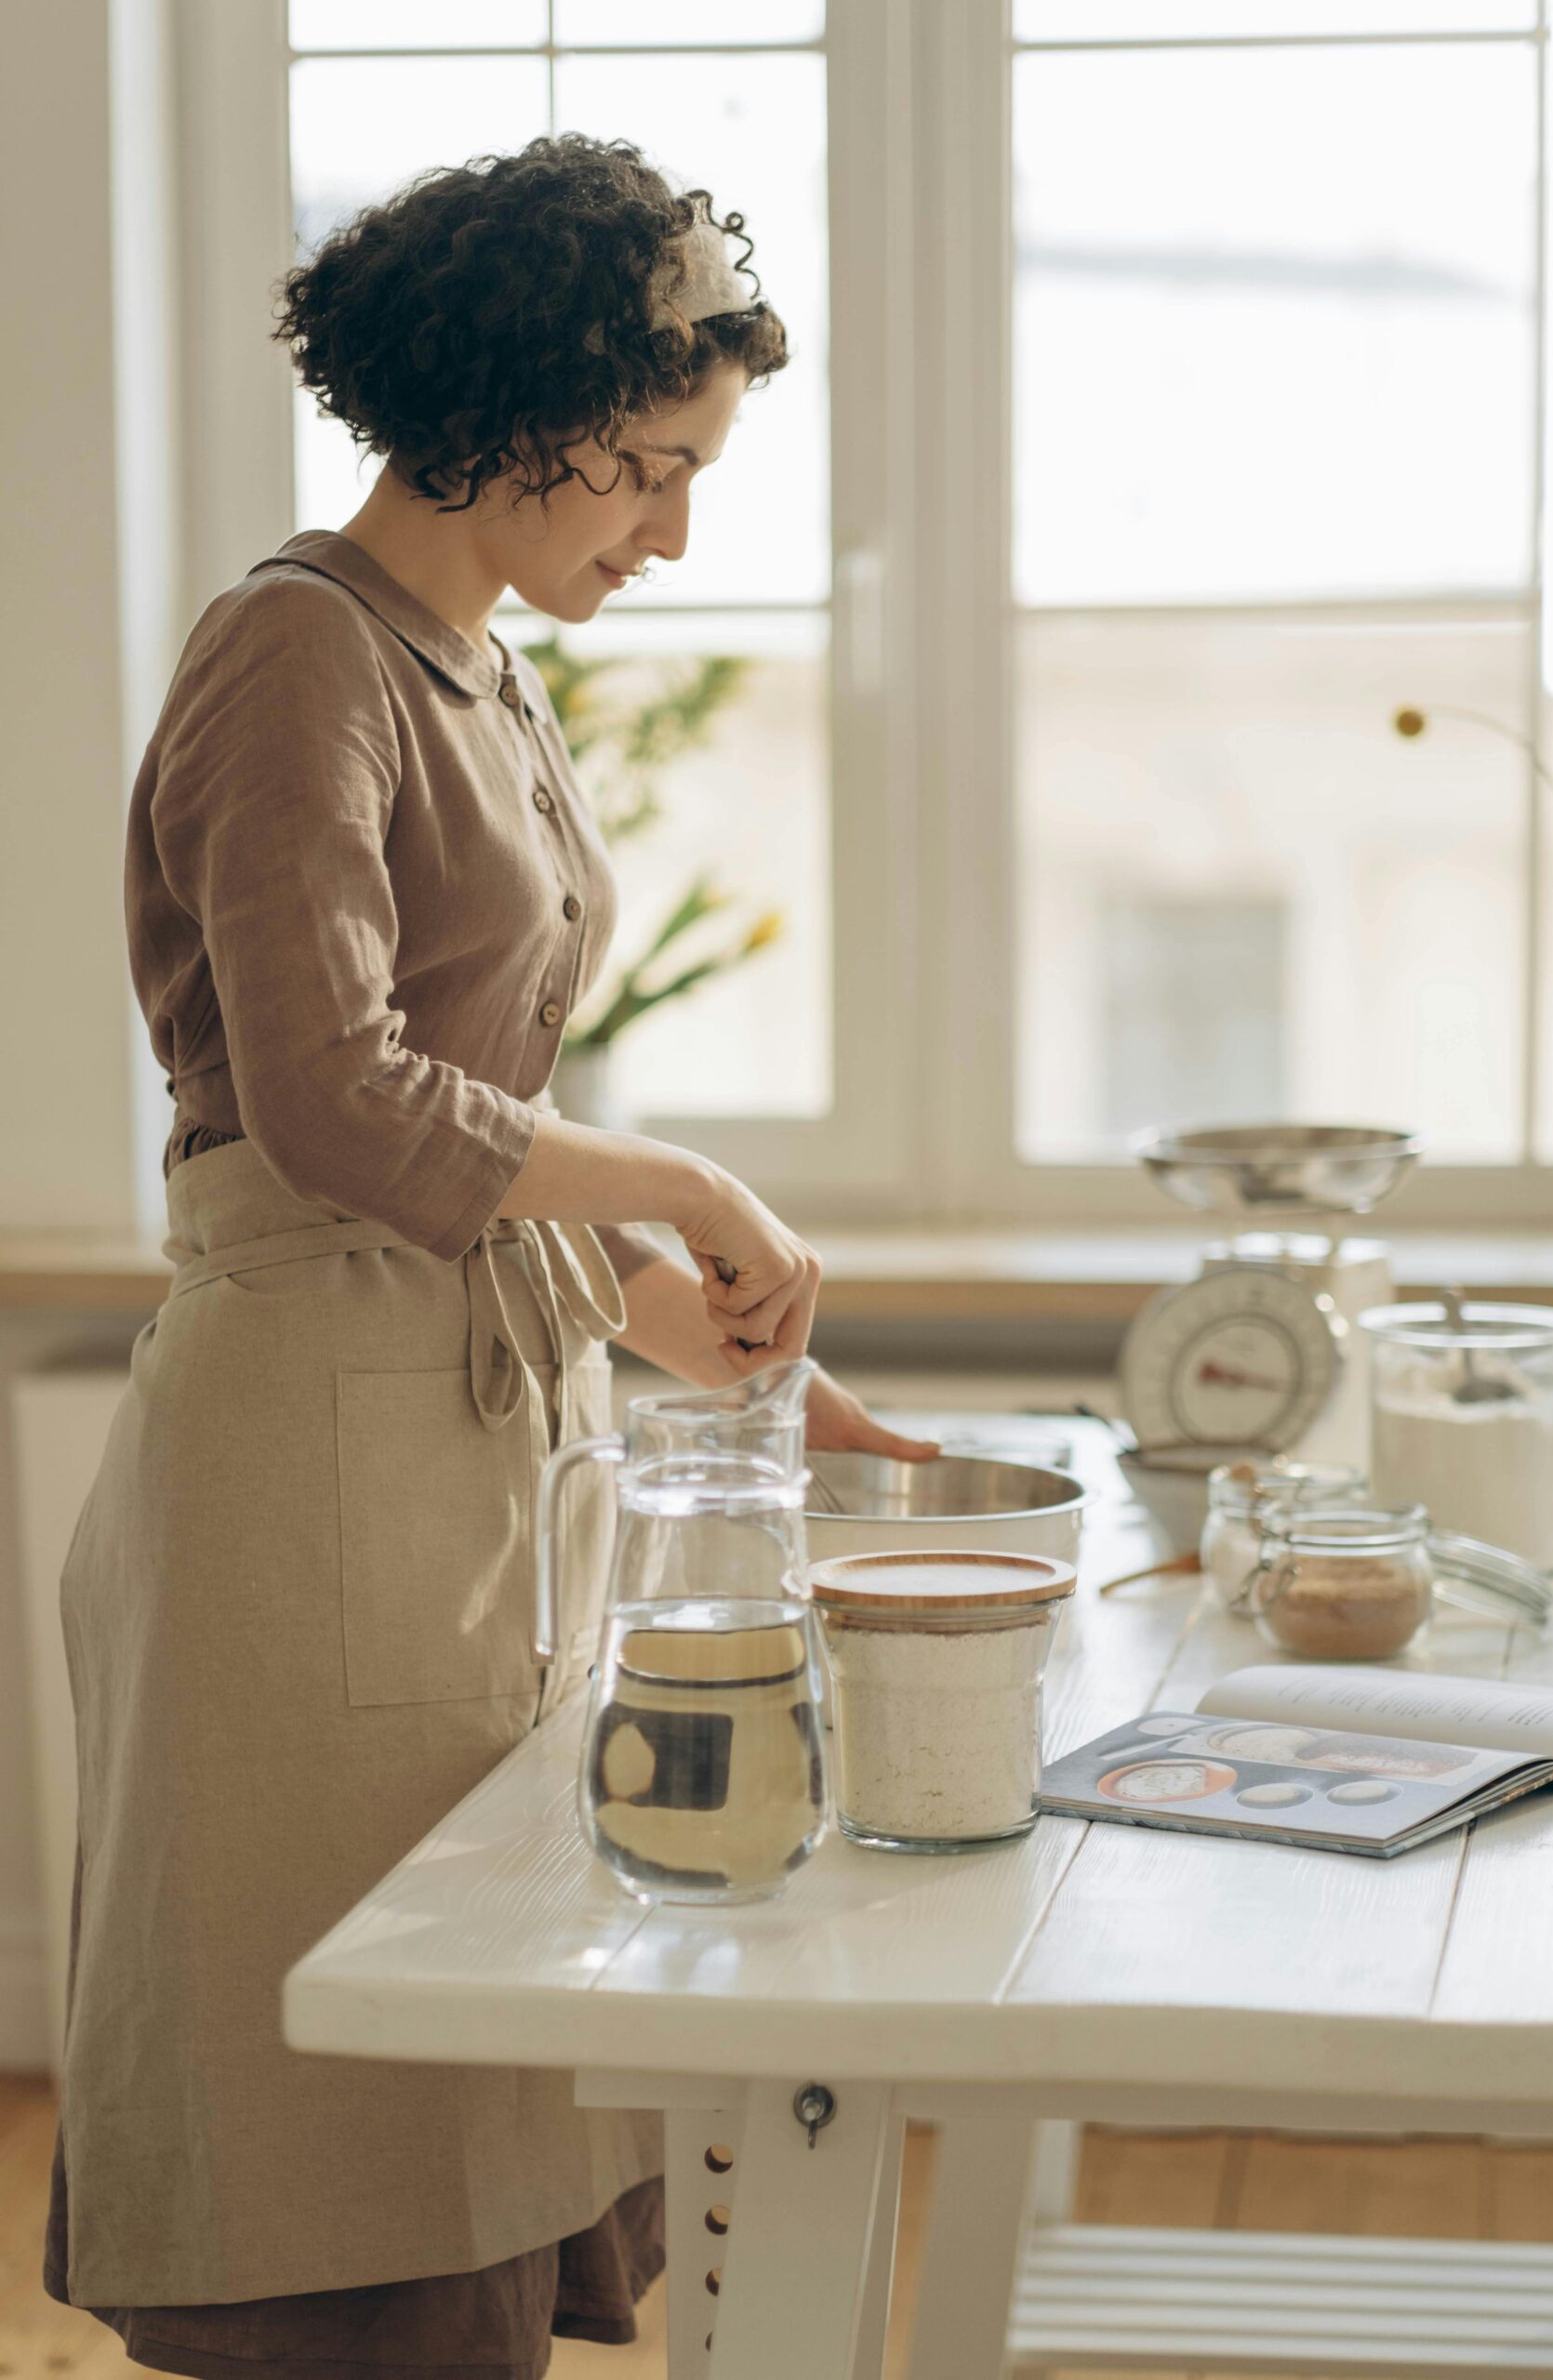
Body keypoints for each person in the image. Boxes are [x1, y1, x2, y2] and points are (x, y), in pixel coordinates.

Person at [46, 133, 936, 2380]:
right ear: (504, 413)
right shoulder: (294, 655)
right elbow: (333, 1103)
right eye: (646, 465)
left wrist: (724, 1358)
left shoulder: (471, 666)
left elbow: (457, 1168)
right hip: (303, 1465)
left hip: (445, 1428)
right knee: (337, 2123)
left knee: (473, 2075)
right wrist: (690, 1193)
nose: (668, 529)